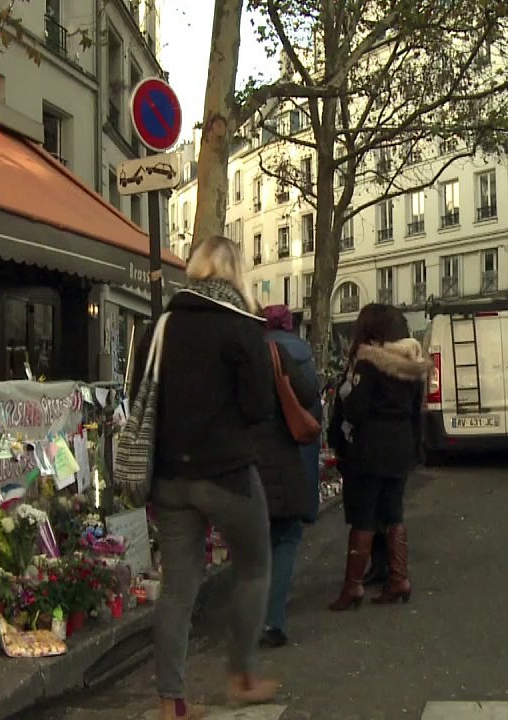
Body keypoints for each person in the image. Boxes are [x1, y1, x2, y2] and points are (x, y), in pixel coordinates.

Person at [130, 236, 314, 720]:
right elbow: (257, 409)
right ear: (235, 273)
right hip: (227, 475)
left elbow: (139, 396)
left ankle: (171, 700)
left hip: (170, 478)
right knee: (254, 567)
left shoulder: (160, 327)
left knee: (177, 588)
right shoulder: (240, 328)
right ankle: (243, 675)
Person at [327, 303, 428, 611]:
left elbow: (356, 409)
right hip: (400, 447)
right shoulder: (413, 365)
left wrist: (344, 395)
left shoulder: (369, 363)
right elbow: (416, 413)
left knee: (364, 516)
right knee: (393, 513)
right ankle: (399, 579)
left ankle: (352, 586)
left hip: (370, 447)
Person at [256, 305, 321, 648]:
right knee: (285, 539)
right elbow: (310, 395)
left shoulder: (234, 358)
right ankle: (273, 620)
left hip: (244, 466)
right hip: (282, 459)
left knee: (254, 546)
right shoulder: (280, 353)